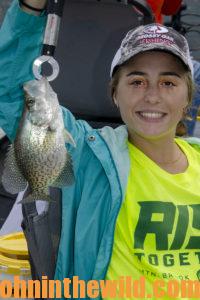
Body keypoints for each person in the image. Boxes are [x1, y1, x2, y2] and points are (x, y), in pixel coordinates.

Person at [1, 1, 200, 299]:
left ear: (188, 98)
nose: (152, 96)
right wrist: (30, 8)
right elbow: (16, 92)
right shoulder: (89, 153)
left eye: (169, 82)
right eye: (137, 81)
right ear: (115, 94)